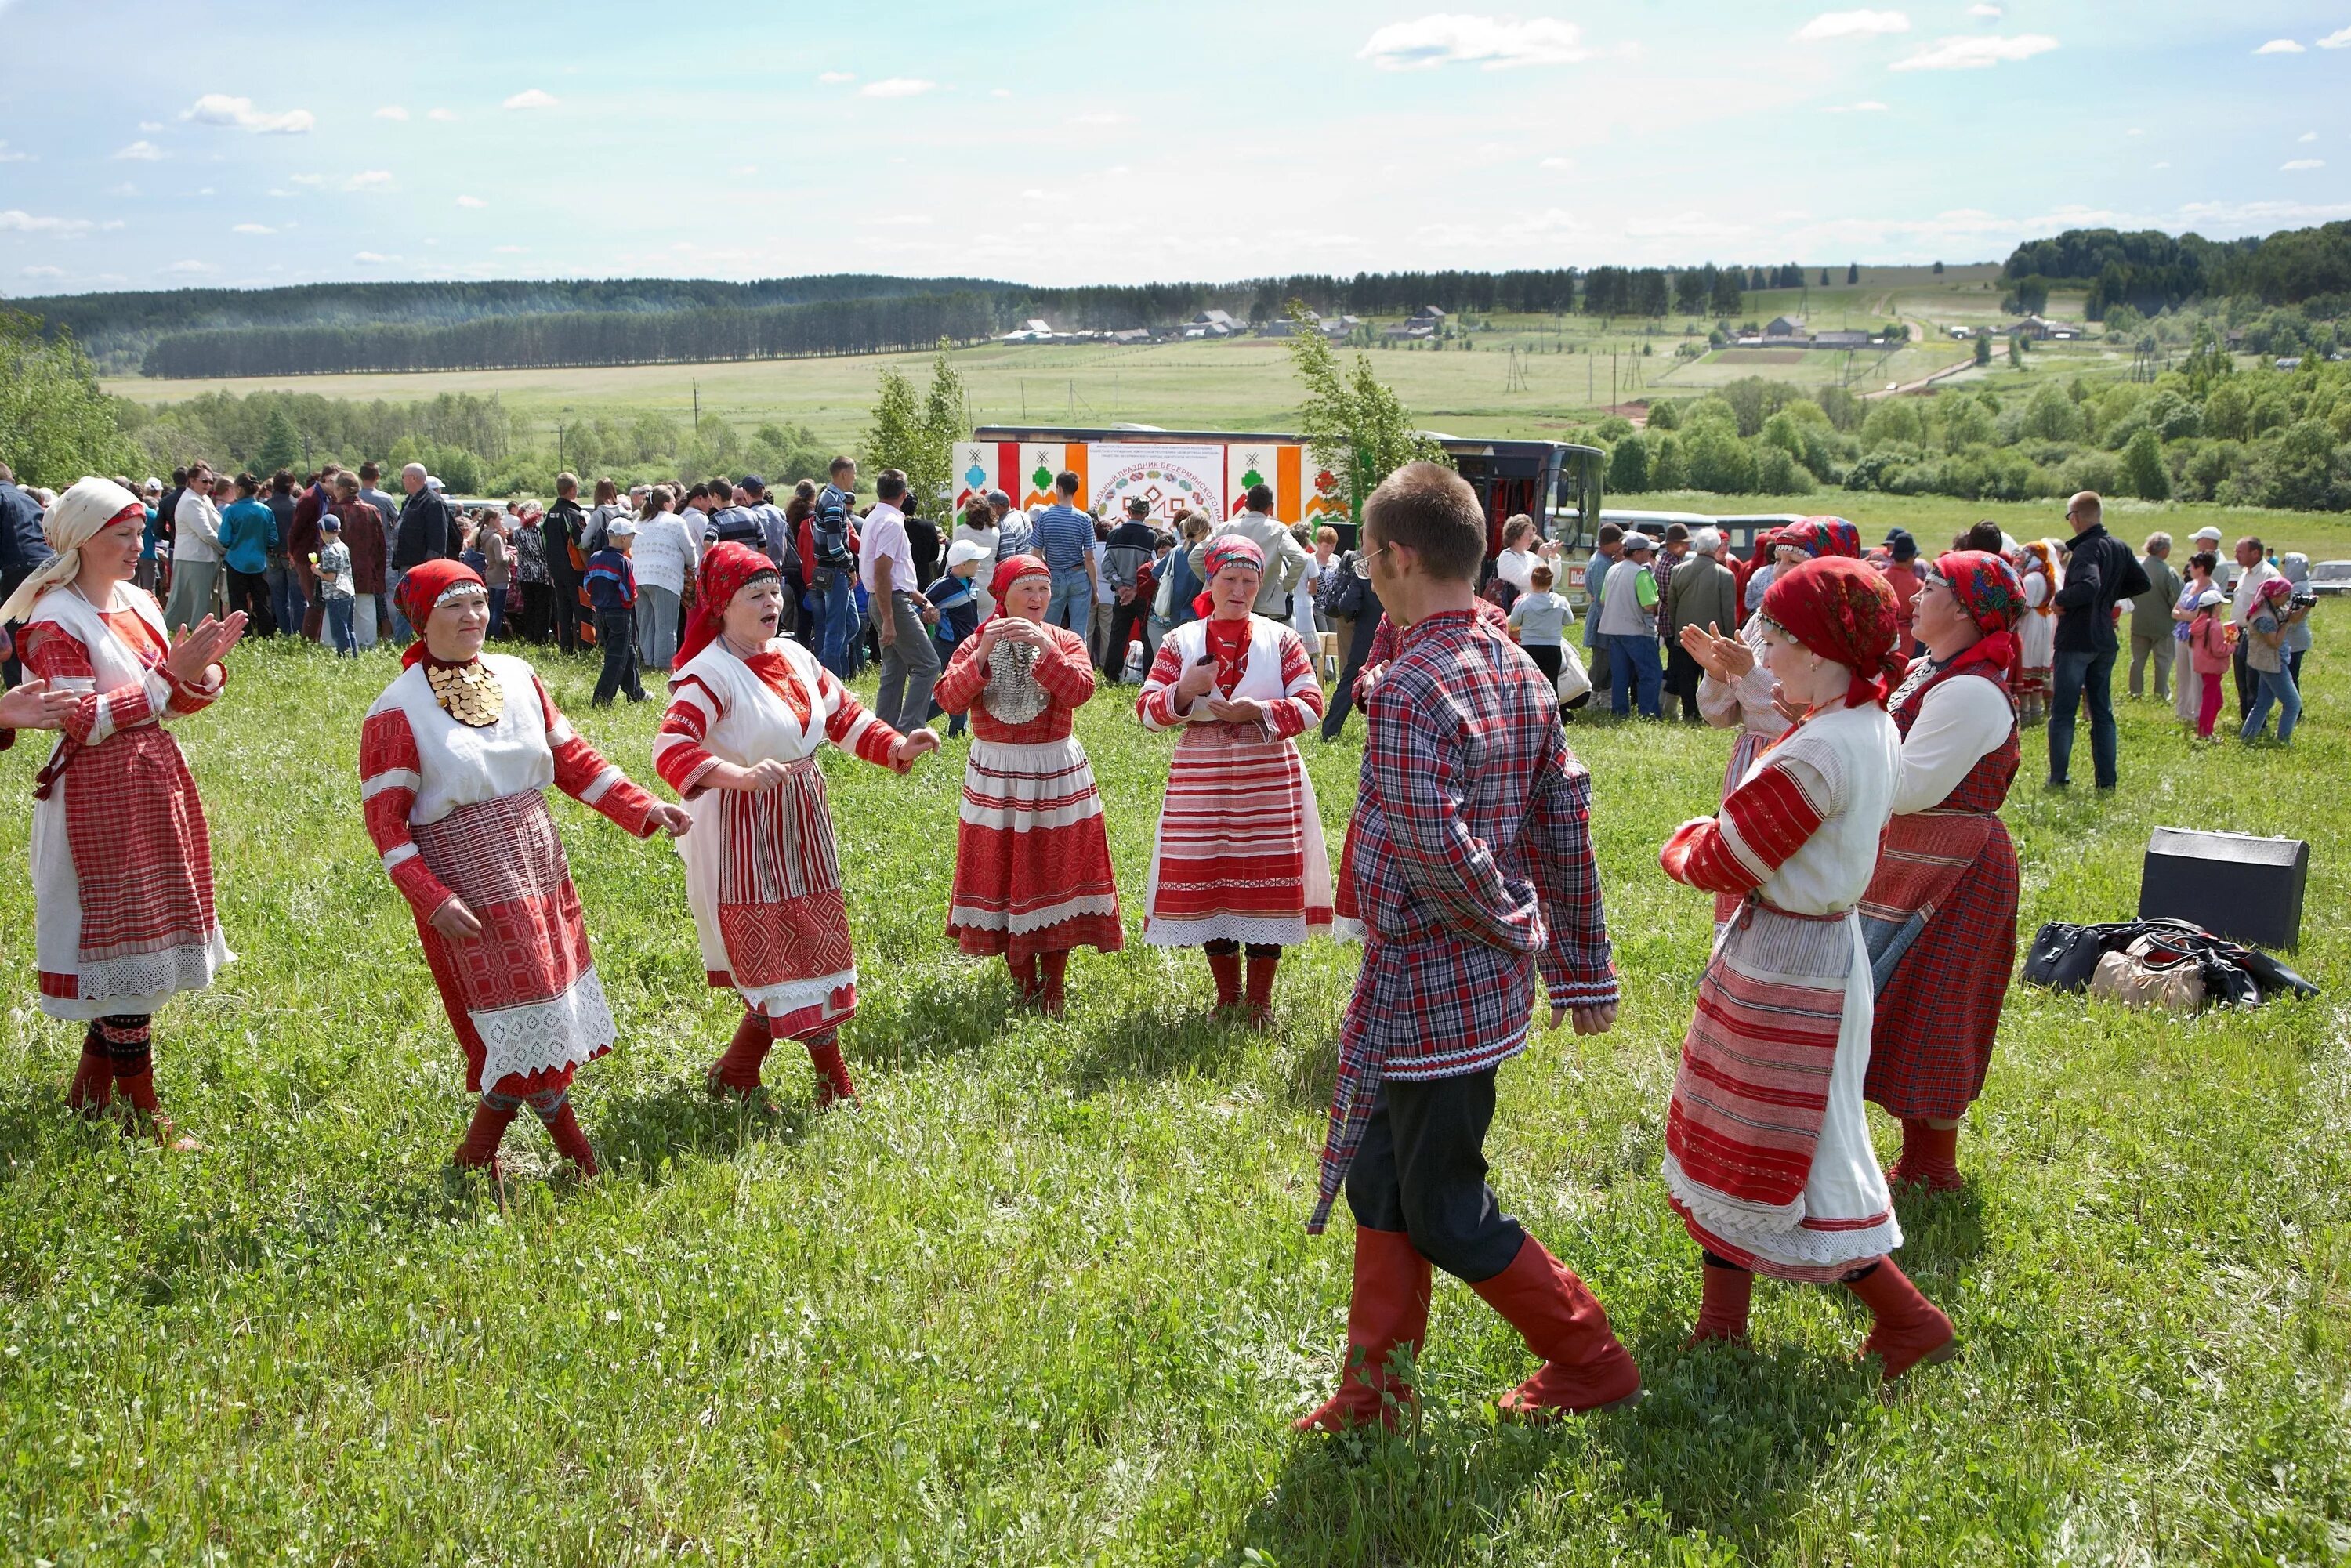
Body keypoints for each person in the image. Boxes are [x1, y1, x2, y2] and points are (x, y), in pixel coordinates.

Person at [1296, 462, 1634, 1434]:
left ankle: (1589, 1355)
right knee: (1382, 1180)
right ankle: (1375, 1395)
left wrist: (1523, 932)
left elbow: (1437, 852)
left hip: (1432, 988)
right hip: (1472, 987)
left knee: (1443, 1203)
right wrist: (1572, 960)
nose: (1366, 569)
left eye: (1369, 554)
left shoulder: (1410, 687)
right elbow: (1562, 823)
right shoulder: (1512, 665)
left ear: (1396, 555)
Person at [1658, 555, 1954, 1382]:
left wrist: (1681, 844)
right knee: (1746, 1132)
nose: (1766, 645)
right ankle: (1722, 1323)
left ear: (1821, 649)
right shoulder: (1864, 722)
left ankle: (1909, 1319)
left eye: (1779, 632)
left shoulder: (1818, 750)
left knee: (1797, 1146)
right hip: (1806, 949)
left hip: (1791, 967)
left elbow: (1728, 858)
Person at [360, 560, 686, 1179]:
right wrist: (429, 896)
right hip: (468, 873)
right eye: (454, 606)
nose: (473, 617)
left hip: (538, 861)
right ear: (421, 617)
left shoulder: (517, 675)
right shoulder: (396, 709)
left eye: (479, 602)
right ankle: (579, 1155)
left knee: (541, 1009)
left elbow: (572, 759)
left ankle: (476, 1152)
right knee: (518, 1012)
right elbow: (386, 823)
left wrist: (643, 806)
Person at [654, 542, 942, 1110]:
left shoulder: (793, 655)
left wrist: (898, 744)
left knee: (810, 942)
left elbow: (844, 715)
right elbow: (670, 748)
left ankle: (738, 1071)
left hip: (801, 817)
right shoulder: (708, 675)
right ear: (721, 605)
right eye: (754, 594)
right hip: (745, 827)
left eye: (774, 590)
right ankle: (834, 1085)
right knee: (786, 947)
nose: (773, 601)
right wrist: (736, 775)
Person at [5, 478, 245, 1152]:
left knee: (137, 946)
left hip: (149, 783)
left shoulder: (137, 600)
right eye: (124, 534)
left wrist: (200, 676)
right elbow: (79, 720)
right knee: (120, 945)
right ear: (82, 539)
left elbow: (165, 698)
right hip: (95, 797)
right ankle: (146, 1116)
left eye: (141, 532)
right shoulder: (54, 617)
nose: (139, 546)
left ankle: (89, 1095)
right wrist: (171, 678)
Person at [1857, 551, 2026, 1194]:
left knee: (1936, 1009)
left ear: (1961, 608)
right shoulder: (1934, 670)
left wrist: (1848, 746)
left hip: (1957, 868)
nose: (1915, 595)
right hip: (1918, 860)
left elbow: (1912, 784)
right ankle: (1913, 1162)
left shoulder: (1971, 690)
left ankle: (1933, 1167)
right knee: (1898, 1003)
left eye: (1929, 586)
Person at [1136, 536, 1332, 1023]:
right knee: (1209, 877)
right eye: (1230, 579)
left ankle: (1260, 1000)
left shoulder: (1281, 638)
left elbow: (1312, 704)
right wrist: (1185, 689)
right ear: (1211, 580)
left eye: (1249, 581)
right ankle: (1227, 996)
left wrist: (1257, 710)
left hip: (1266, 774)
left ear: (1260, 584)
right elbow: (1146, 710)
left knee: (1264, 879)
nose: (1240, 590)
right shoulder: (1181, 640)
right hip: (1201, 775)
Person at [933, 554, 1125, 1013]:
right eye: (1027, 589)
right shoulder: (976, 642)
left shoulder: (1065, 640)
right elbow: (948, 698)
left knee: (1055, 869)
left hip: (1053, 769)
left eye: (1044, 589)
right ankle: (1022, 980)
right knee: (1001, 868)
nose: (1038, 598)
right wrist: (981, 656)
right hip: (996, 772)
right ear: (1002, 596)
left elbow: (1080, 690)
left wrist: (1045, 650)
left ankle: (1054, 983)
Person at [2047, 493, 2149, 791]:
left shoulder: (2086, 550)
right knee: (2102, 712)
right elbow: (2141, 583)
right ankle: (2107, 781)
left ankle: (2059, 778)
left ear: (2075, 517)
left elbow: (2089, 585)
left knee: (2064, 712)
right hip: (2104, 638)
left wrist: (2061, 599)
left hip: (2078, 637)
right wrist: (2107, 597)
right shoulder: (2118, 546)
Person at [861, 469, 943, 733]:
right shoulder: (894, 523)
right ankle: (909, 730)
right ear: (904, 494)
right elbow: (883, 573)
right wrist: (889, 620)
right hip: (891, 603)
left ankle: (883, 733)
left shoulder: (874, 517)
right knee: (928, 665)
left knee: (894, 669)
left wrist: (921, 601)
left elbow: (892, 576)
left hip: (883, 599)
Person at [1187, 483, 1310, 621]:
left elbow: (1195, 557)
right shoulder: (1278, 530)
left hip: (1225, 603)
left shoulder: (1225, 528)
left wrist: (1216, 579)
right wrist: (1287, 585)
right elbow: (1300, 558)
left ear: (1246, 504)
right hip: (1265, 604)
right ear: (1271, 507)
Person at [1317, 531, 1386, 742]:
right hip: (1400, 632)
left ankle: (1330, 731)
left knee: (1349, 680)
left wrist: (1354, 615)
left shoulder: (1363, 568)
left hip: (1366, 633)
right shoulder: (1405, 565)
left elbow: (1347, 604)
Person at [1664, 527, 1737, 722]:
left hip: (1685, 635)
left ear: (1697, 546)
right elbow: (1728, 611)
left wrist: (1677, 627)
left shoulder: (1678, 571)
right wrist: (1729, 638)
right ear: (1715, 547)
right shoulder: (1725, 575)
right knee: (1711, 679)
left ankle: (1689, 713)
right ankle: (1709, 715)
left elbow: (1672, 604)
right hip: (1713, 639)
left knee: (1686, 679)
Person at [924, 537, 988, 738]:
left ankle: (958, 730)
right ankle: (913, 719)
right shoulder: (942, 587)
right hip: (948, 646)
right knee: (955, 688)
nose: (979, 564)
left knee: (962, 687)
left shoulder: (970, 582)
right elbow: (919, 608)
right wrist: (929, 615)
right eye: (975, 561)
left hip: (968, 645)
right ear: (962, 564)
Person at [391, 462, 462, 644]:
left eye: (403, 477)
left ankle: (408, 641)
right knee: (405, 603)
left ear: (413, 478)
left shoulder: (433, 502)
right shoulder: (410, 500)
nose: (402, 481)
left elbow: (438, 539)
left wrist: (429, 569)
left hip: (421, 565)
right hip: (407, 562)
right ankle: (404, 641)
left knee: (416, 604)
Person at [631, 487, 700, 674]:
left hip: (639, 576)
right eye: (673, 501)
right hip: (664, 576)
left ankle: (647, 661)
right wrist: (692, 563)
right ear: (666, 503)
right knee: (666, 624)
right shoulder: (676, 521)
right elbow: (689, 550)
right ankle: (664, 666)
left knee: (646, 623)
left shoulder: (639, 522)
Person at [1595, 531, 1664, 719]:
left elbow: (1602, 600)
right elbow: (1649, 604)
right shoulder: (1641, 573)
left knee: (1620, 675)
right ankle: (1648, 712)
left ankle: (1620, 711)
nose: (1649, 555)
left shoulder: (1613, 569)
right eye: (1646, 551)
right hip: (1637, 630)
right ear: (1637, 553)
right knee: (1650, 673)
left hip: (1613, 630)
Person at [805, 458, 862, 679]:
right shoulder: (833, 502)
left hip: (834, 571)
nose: (855, 477)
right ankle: (830, 682)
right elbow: (835, 545)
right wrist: (850, 566)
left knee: (852, 624)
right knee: (835, 632)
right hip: (836, 572)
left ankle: (827, 666)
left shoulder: (829, 497)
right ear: (844, 474)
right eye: (854, 473)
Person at [1029, 471, 1099, 643]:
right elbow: (1089, 559)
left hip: (1054, 576)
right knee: (1078, 633)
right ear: (1075, 490)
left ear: (1059, 488)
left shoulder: (1045, 517)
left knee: (1047, 629)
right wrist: (1095, 590)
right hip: (1079, 576)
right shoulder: (1085, 519)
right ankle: (1079, 666)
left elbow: (1036, 552)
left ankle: (1047, 666)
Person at [2239, 577, 2307, 745]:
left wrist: (2306, 608)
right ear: (2276, 595)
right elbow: (2274, 642)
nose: (2287, 599)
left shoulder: (2272, 608)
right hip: (2271, 664)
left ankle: (2247, 736)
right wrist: (2286, 623)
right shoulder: (2264, 617)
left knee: (2263, 703)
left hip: (2271, 662)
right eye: (2285, 595)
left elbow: (2292, 619)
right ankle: (2283, 741)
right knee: (2293, 704)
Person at [585, 518, 646, 707]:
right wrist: (632, 600)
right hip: (619, 613)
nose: (633, 541)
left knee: (628, 652)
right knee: (616, 658)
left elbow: (587, 584)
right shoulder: (623, 562)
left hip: (600, 613)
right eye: (632, 537)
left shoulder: (595, 557)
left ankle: (636, 693)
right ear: (623, 538)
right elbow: (629, 592)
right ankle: (601, 700)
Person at [1101, 498, 1161, 679]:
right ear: (1146, 513)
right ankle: (1149, 676)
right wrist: (1136, 588)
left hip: (1121, 595)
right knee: (1147, 636)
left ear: (1129, 510)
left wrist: (1120, 587)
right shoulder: (1152, 537)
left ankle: (1112, 674)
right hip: (1142, 596)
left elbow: (1106, 565)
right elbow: (1153, 567)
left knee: (1117, 634)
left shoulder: (1113, 534)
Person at [216, 473, 280, 638]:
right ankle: (267, 635)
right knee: (262, 602)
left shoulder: (232, 511)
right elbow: (273, 539)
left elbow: (224, 539)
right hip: (259, 563)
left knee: (239, 603)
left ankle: (243, 636)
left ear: (239, 488)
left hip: (236, 562)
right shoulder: (266, 510)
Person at [164, 461, 223, 634]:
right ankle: (194, 632)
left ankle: (203, 631)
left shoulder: (203, 499)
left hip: (204, 558)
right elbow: (205, 532)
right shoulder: (191, 501)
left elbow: (216, 525)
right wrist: (225, 548)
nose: (208, 485)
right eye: (204, 481)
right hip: (194, 558)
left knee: (202, 600)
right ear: (192, 480)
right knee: (191, 601)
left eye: (211, 482)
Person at [2230, 535, 2281, 725]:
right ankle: (2246, 721)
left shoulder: (2269, 575)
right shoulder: (2245, 573)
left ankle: (2258, 725)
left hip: (2256, 635)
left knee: (2254, 682)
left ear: (2256, 553)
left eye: (2240, 552)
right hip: (2237, 632)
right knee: (2241, 681)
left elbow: (2277, 608)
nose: (2236, 555)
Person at [1506, 562, 1575, 703]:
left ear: (1532, 582)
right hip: (1553, 647)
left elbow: (1513, 622)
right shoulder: (1561, 602)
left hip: (1529, 647)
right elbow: (1569, 621)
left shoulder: (1524, 603)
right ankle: (1553, 714)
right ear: (1550, 583)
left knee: (1530, 684)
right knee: (1551, 684)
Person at [2128, 532, 2183, 701]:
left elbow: (2130, 593)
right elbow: (2176, 598)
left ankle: (2135, 692)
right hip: (2163, 625)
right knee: (2163, 661)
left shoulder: (2137, 568)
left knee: (2137, 660)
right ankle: (2160, 694)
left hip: (2139, 622)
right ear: (2164, 550)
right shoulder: (2168, 572)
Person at [2012, 539, 2058, 725]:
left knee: (2028, 664)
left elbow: (2025, 607)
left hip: (2032, 623)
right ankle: (2036, 712)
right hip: (2043, 620)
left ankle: (2026, 712)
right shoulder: (2046, 575)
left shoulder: (2032, 579)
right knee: (2037, 666)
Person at [543, 474, 587, 654]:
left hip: (555, 570)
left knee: (563, 611)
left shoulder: (548, 516)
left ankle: (565, 648)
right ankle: (586, 648)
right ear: (573, 490)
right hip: (575, 570)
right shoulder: (573, 515)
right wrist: (589, 566)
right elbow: (581, 544)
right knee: (582, 610)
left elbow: (545, 543)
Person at [1581, 522, 1622, 697]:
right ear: (1608, 543)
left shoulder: (1606, 560)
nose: (1620, 546)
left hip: (1606, 621)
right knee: (1601, 663)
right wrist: (1609, 623)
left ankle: (1604, 698)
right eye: (1618, 542)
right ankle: (1591, 697)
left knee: (1608, 663)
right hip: (1602, 621)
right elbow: (1601, 598)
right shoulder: (1600, 563)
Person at [2186, 588, 2232, 741]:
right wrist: (2232, 645)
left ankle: (2206, 730)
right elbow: (2219, 650)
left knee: (2217, 701)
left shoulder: (2198, 624)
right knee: (2210, 701)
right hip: (2213, 668)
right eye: (2220, 605)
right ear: (2215, 606)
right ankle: (2205, 732)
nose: (2221, 608)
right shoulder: (2215, 626)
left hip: (2204, 667)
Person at [263, 470, 302, 638]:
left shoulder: (266, 506)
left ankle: (284, 632)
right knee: (298, 598)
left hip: (272, 556)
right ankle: (300, 632)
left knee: (278, 598)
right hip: (293, 556)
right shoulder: (297, 505)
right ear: (291, 485)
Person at [948, 498, 1002, 620]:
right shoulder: (996, 532)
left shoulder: (961, 530)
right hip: (988, 587)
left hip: (966, 588)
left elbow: (953, 560)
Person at [316, 515, 358, 657]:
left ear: (322, 532)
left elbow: (331, 576)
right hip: (349, 592)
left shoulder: (328, 551)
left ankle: (345, 658)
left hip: (336, 594)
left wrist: (317, 571)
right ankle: (354, 656)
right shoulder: (343, 546)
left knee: (339, 630)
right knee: (349, 628)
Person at [1287, 520, 1324, 656]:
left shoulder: (1287, 557)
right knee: (1308, 648)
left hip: (1289, 603)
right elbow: (1313, 588)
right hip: (1304, 603)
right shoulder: (1309, 559)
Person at [1880, 531, 1922, 650]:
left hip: (1881, 633)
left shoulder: (1878, 578)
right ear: (1910, 558)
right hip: (1906, 639)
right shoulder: (1917, 584)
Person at [476, 508, 512, 639]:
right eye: (499, 519)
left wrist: (504, 539)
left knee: (491, 607)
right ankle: (495, 635)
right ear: (492, 520)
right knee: (498, 609)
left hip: (490, 574)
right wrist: (512, 557)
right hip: (500, 575)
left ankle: (488, 632)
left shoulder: (485, 534)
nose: (501, 522)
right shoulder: (495, 537)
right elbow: (501, 559)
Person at [1493, 514, 1541, 596]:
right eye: (1529, 535)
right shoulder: (1506, 556)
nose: (1532, 539)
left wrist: (1553, 558)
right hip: (1515, 607)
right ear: (1517, 536)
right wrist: (1539, 557)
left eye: (1532, 536)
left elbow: (1552, 580)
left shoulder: (1530, 556)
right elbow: (1523, 581)